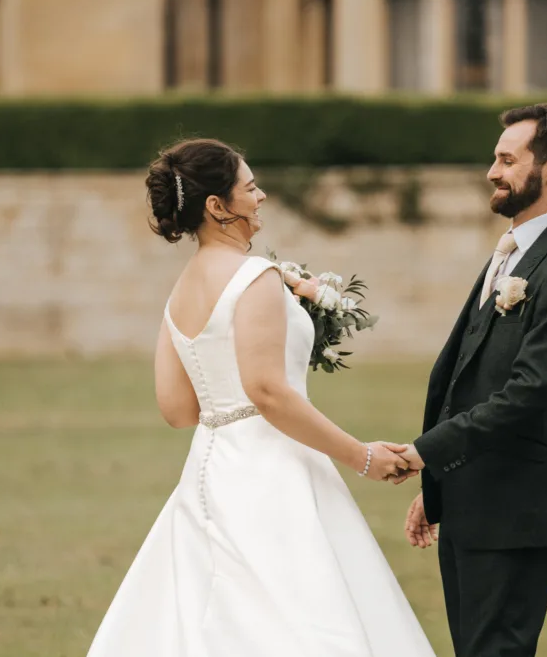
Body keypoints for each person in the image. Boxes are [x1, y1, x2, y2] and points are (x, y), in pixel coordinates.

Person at [85, 138, 435, 657]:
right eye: (250, 188)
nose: (262, 196)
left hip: (210, 470)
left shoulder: (180, 292)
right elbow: (269, 392)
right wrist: (363, 457)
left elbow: (178, 410)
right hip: (275, 471)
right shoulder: (256, 276)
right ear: (217, 207)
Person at [394, 103, 547, 657]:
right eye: (495, 158)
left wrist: (423, 452)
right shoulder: (512, 253)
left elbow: (527, 392)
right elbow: (468, 374)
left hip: (517, 507)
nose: (492, 171)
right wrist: (438, 484)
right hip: (470, 497)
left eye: (507, 160)